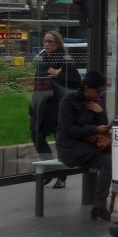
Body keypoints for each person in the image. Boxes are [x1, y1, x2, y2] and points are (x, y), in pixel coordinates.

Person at [55, 69, 113, 220]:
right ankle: (100, 205)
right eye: (99, 91)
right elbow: (68, 129)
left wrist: (101, 112)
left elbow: (103, 127)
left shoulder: (96, 103)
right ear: (88, 88)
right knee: (110, 162)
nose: (101, 95)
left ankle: (114, 200)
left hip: (91, 146)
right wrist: (93, 129)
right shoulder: (69, 100)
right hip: (72, 148)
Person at [30, 30, 79, 187]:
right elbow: (36, 86)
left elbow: (76, 81)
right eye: (45, 41)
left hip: (58, 105)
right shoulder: (43, 59)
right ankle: (50, 168)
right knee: (36, 134)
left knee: (60, 141)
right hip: (43, 105)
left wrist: (59, 74)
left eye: (50, 42)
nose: (47, 44)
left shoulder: (64, 59)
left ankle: (61, 176)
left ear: (58, 43)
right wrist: (31, 110)